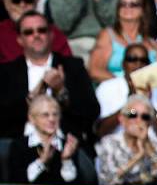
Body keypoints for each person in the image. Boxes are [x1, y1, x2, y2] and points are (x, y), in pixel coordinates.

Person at [0, 11, 98, 143]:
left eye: (42, 30)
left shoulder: (73, 66)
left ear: (51, 35)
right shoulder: (6, 72)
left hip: (66, 143)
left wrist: (61, 92)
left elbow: (91, 112)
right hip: (19, 146)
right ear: (19, 39)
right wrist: (30, 99)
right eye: (29, 32)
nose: (36, 35)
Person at [94, 44, 157, 141]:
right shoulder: (107, 87)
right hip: (116, 148)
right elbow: (101, 131)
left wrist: (148, 105)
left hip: (151, 148)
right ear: (123, 64)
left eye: (143, 60)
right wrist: (130, 103)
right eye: (132, 59)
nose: (138, 64)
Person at [88, 0, 157, 83]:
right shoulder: (108, 36)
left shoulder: (152, 44)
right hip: (115, 90)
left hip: (147, 92)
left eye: (133, 4)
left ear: (143, 10)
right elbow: (94, 70)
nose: (127, 7)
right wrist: (125, 84)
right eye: (123, 4)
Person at [0, 0, 72, 62]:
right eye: (16, 0)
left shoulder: (51, 33)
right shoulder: (1, 33)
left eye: (28, 0)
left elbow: (68, 65)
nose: (22, 5)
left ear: (36, 0)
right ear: (7, 3)